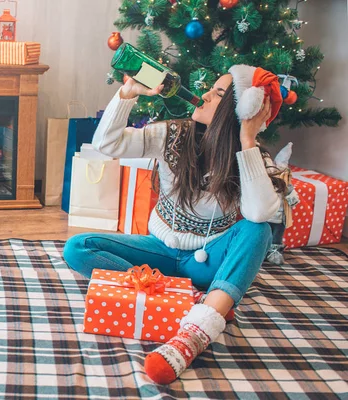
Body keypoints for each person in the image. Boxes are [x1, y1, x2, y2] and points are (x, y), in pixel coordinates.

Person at [63, 65, 286, 384]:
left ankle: (193, 335)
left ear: (241, 110)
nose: (205, 94)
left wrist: (247, 139)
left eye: (218, 93)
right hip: (160, 256)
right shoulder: (172, 134)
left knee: (258, 230)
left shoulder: (252, 157)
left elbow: (260, 213)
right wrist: (127, 95)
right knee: (78, 248)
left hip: (208, 261)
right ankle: (199, 300)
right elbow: (107, 145)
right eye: (210, 88)